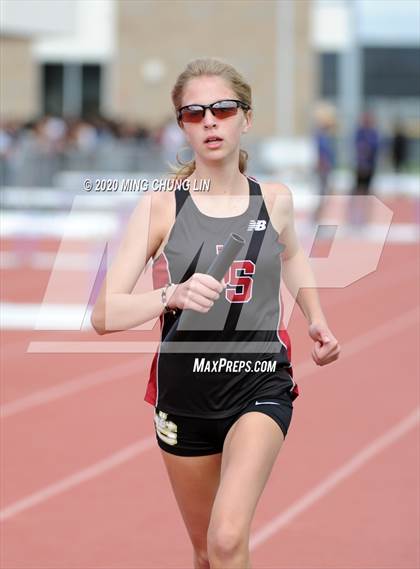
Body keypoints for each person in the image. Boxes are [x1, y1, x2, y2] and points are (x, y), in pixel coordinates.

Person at [91, 58, 340, 569]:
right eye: (194, 113)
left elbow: (291, 257)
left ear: (245, 118)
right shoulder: (162, 207)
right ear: (181, 125)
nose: (209, 121)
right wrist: (171, 295)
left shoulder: (276, 200)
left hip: (258, 382)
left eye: (223, 109)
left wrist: (315, 315)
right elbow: (105, 314)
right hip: (183, 395)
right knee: (207, 552)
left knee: (228, 539)